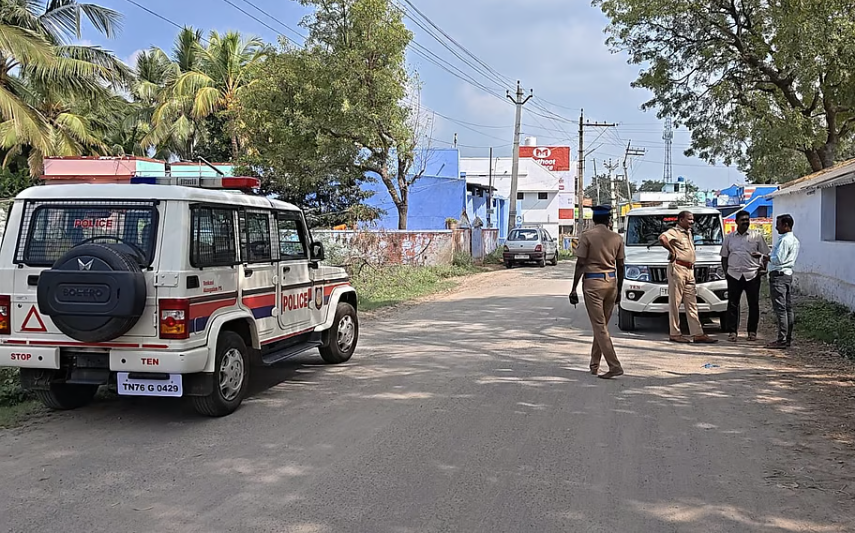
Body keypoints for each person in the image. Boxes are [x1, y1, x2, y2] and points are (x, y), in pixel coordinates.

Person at [569, 205, 625, 379]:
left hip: (593, 284)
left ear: (593, 220)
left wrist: (573, 288)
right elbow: (621, 266)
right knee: (601, 327)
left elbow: (580, 263)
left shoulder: (587, 236)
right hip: (611, 284)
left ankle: (615, 366)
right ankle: (594, 364)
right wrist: (620, 290)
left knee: (599, 327)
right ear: (609, 220)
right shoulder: (616, 238)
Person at [658, 211, 718, 344]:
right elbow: (662, 238)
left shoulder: (688, 232)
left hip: (690, 270)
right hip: (678, 269)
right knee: (675, 303)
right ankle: (675, 333)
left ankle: (698, 334)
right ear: (680, 220)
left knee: (692, 304)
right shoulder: (675, 231)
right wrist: (672, 251)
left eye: (692, 219)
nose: (692, 222)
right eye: (689, 219)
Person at [720, 210, 770, 342]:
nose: (746, 222)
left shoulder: (756, 237)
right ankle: (732, 332)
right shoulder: (729, 238)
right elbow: (724, 257)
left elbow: (765, 255)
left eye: (747, 220)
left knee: (753, 304)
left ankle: (752, 332)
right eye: (743, 220)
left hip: (752, 275)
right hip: (734, 275)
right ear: (736, 222)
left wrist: (763, 269)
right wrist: (726, 273)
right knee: (732, 304)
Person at [763, 214, 800, 349]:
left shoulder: (784, 241)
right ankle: (787, 338)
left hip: (779, 276)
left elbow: (778, 259)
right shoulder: (794, 240)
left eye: (778, 224)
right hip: (787, 275)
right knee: (788, 308)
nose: (776, 227)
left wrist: (765, 257)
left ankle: (782, 339)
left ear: (785, 225)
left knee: (781, 309)